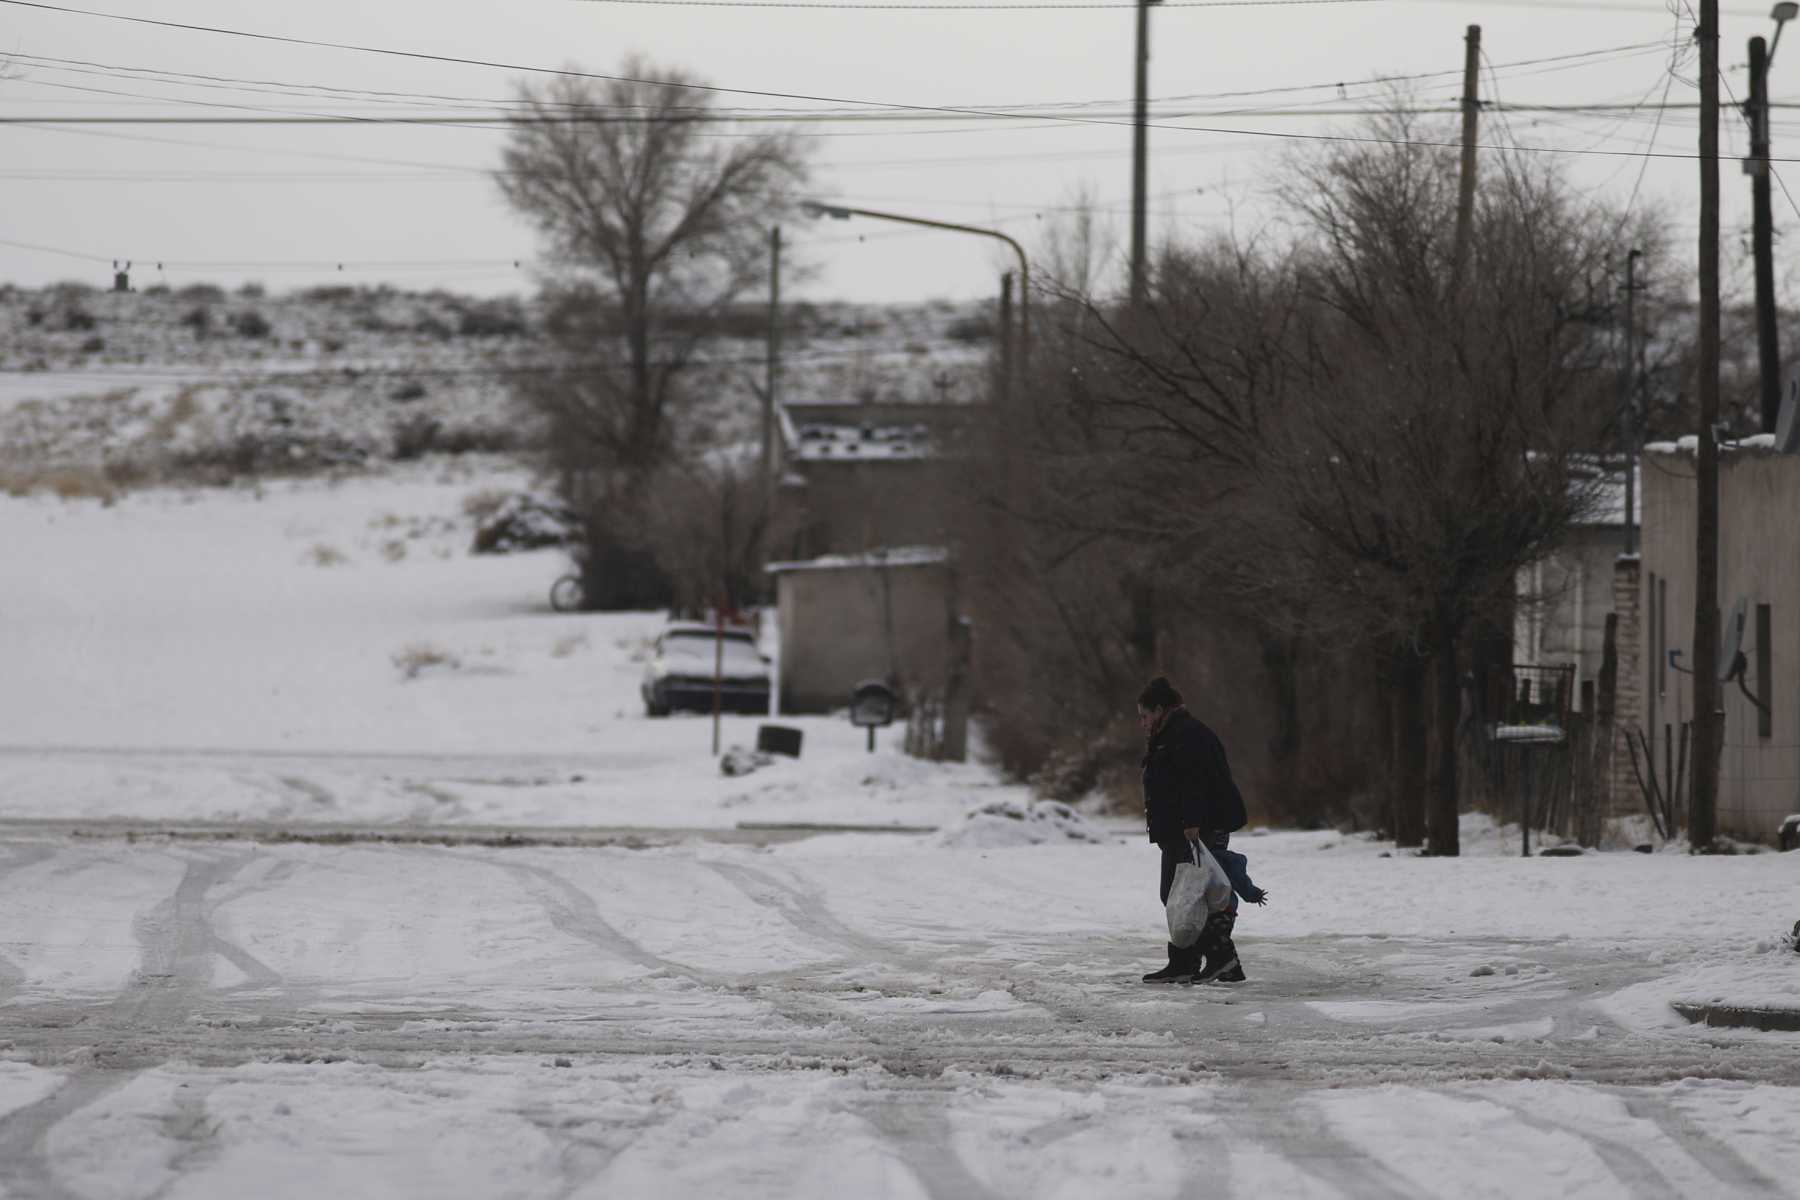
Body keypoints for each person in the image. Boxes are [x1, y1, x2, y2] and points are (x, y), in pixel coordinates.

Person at [1136, 675, 1256, 985]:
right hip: (1180, 830)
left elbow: (1194, 782)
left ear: (1160, 709)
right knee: (1178, 895)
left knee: (1194, 895)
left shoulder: (1186, 734)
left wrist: (1192, 823)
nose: (1142, 723)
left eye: (1145, 716)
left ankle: (1220, 958)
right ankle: (1186, 962)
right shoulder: (1171, 733)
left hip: (1195, 829)